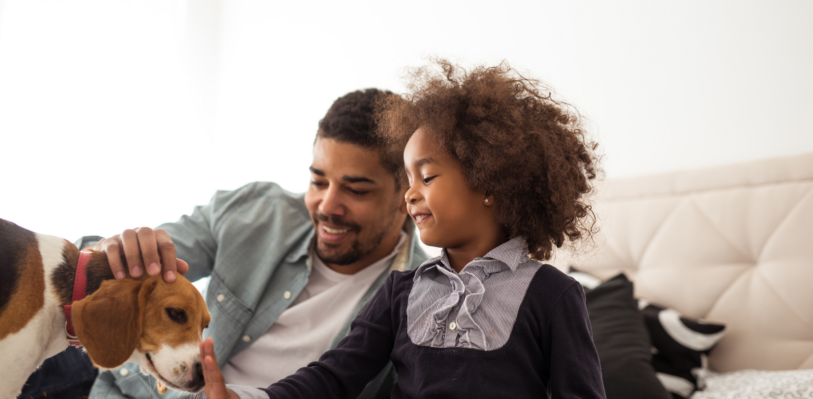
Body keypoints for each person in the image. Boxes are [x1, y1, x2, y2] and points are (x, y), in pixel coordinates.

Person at [197, 59, 606, 399]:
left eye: (425, 178)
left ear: (489, 183)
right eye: (406, 180)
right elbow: (334, 376)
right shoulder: (400, 291)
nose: (408, 195)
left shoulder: (553, 295)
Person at [19, 88, 428, 399]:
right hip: (119, 380)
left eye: (356, 190)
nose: (327, 206)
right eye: (318, 181)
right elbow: (105, 272)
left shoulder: (423, 301)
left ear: (406, 195)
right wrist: (111, 251)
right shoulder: (256, 211)